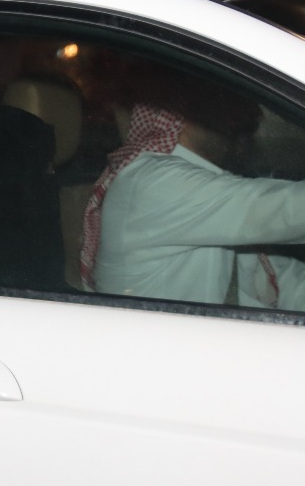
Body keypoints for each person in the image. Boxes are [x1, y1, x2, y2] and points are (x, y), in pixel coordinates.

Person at [80, 72, 305, 309]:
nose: (235, 121)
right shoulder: (154, 182)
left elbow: (281, 282)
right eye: (220, 105)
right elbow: (285, 211)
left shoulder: (206, 184)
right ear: (182, 117)